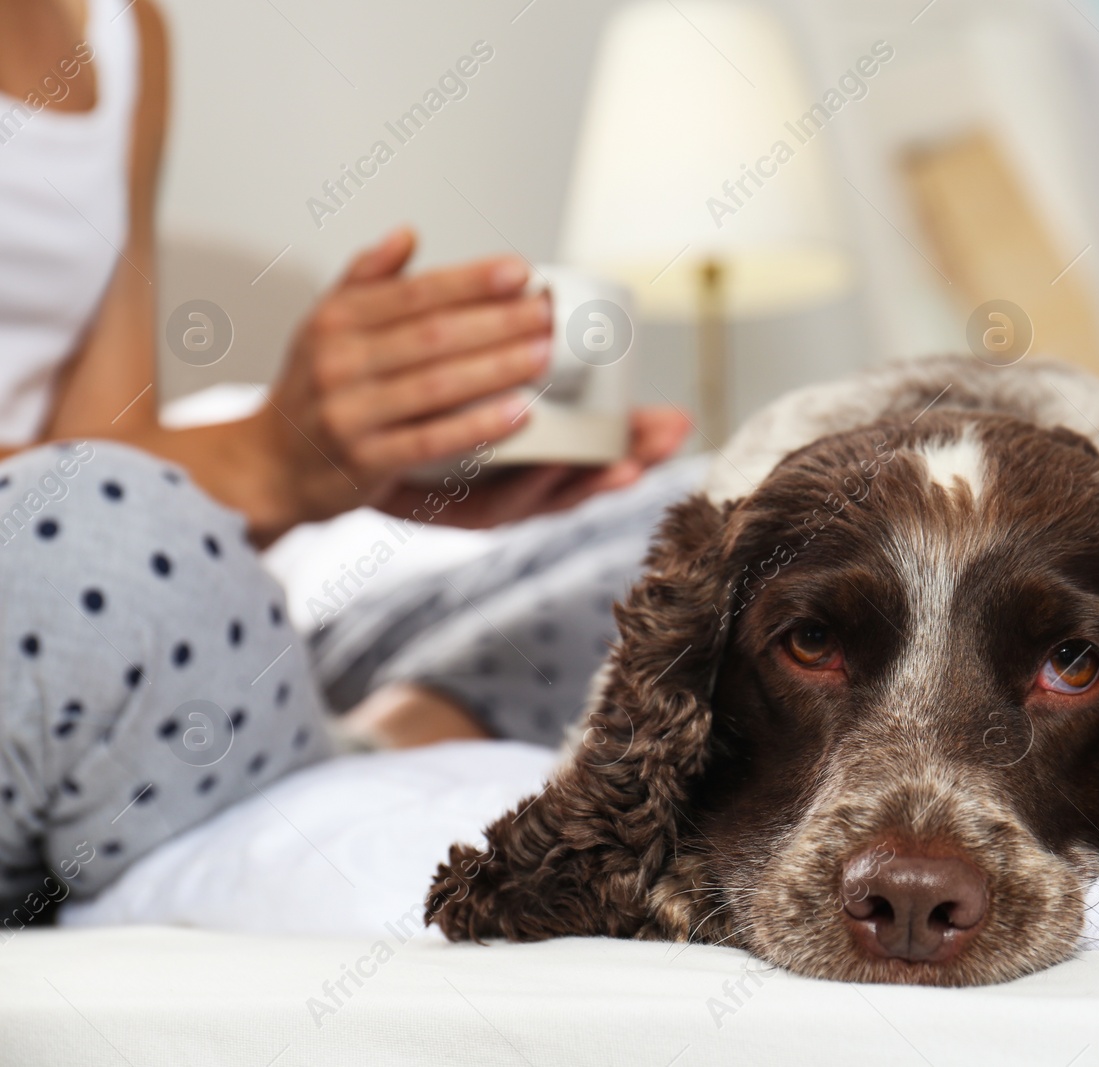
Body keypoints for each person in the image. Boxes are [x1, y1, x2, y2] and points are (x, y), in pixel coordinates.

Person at [0, 0, 689, 911]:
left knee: (694, 521)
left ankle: (381, 739)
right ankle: (325, 768)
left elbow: (103, 449)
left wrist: (353, 470)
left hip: (78, 612)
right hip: (62, 579)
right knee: (106, 531)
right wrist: (262, 456)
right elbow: (98, 502)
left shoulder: (121, 33)